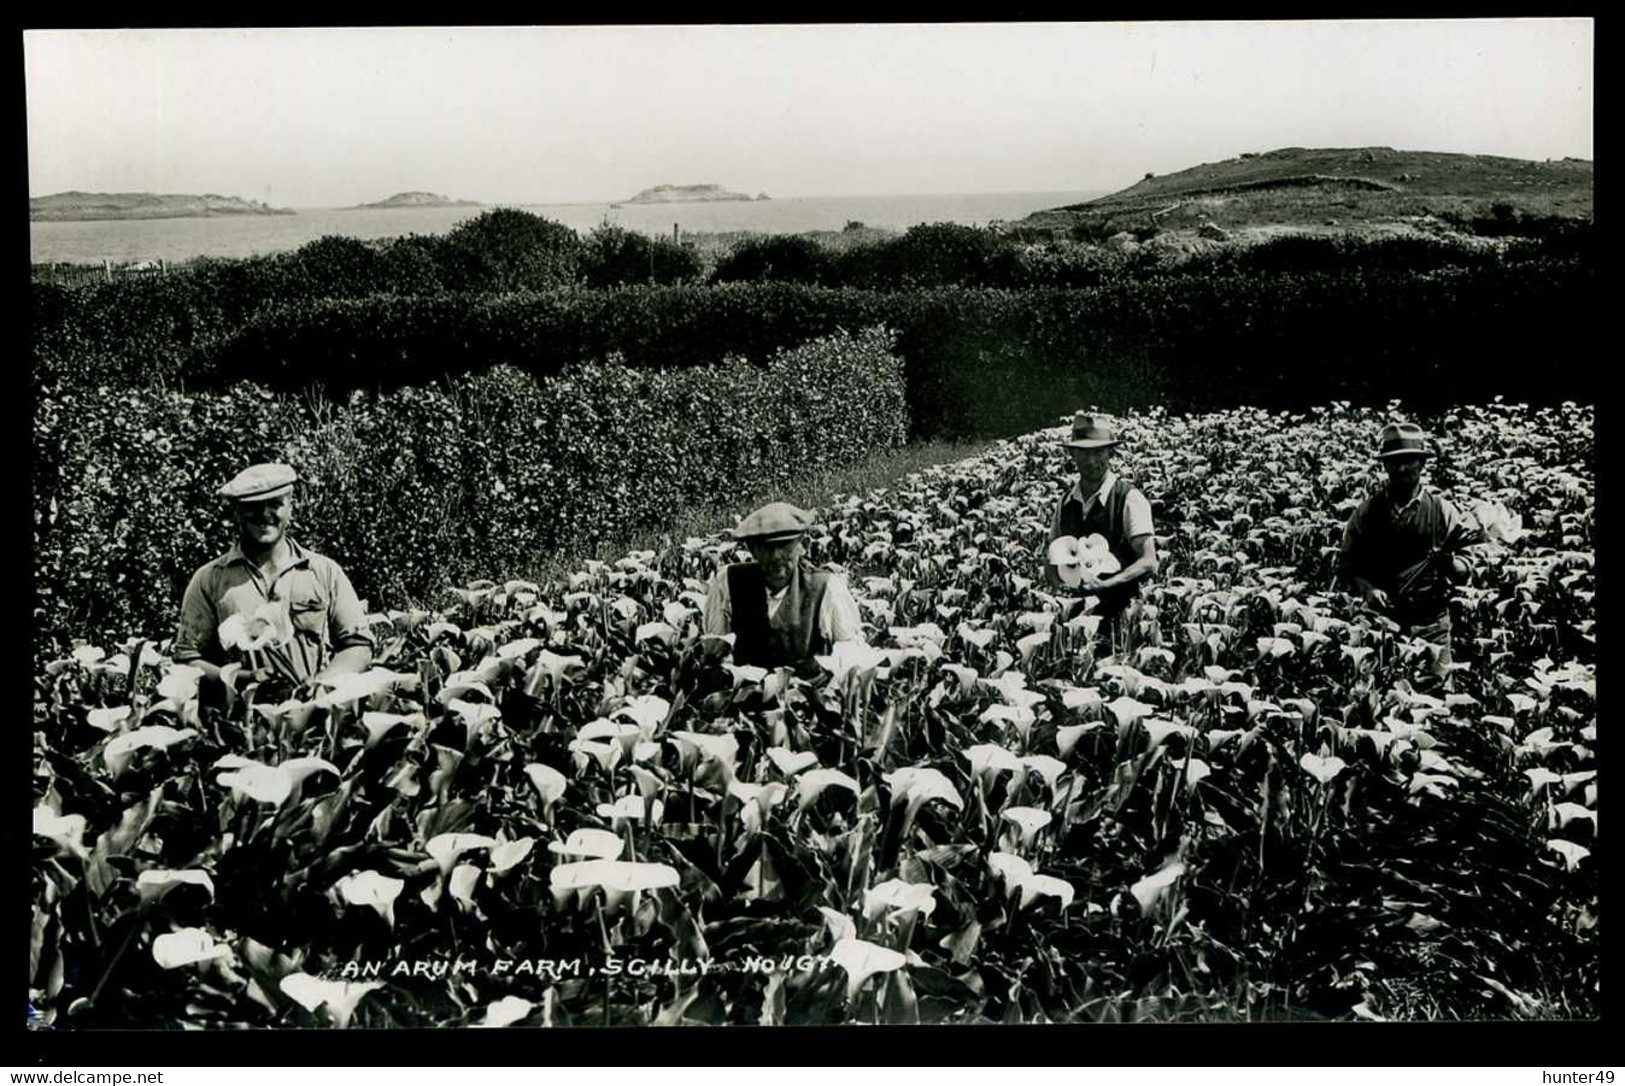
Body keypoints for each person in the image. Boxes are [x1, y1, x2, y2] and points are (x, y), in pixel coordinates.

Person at [172, 463, 374, 687]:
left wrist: (322, 684)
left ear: (290, 508)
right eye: (253, 507)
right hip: (239, 716)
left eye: (275, 504)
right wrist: (241, 679)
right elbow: (187, 661)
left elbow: (359, 647)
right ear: (236, 512)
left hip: (314, 712)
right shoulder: (210, 579)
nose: (265, 514)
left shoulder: (323, 572)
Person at [1336, 421, 1480, 666]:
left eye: (1409, 460)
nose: (1401, 468)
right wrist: (1367, 589)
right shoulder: (1367, 512)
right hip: (1382, 625)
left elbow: (1467, 568)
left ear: (1422, 463)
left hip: (1431, 626)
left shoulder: (1442, 511)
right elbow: (1347, 565)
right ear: (1384, 465)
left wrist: (1449, 563)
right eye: (1394, 461)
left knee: (1435, 698)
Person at [702, 501, 864, 673]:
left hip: (808, 693)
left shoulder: (825, 587)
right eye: (766, 548)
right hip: (746, 695)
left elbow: (849, 649)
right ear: (752, 549)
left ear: (803, 545)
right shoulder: (728, 582)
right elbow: (716, 650)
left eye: (785, 546)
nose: (776, 556)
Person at [1044, 412, 1160, 645]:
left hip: (1120, 620)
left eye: (1098, 452)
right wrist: (1062, 587)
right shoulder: (1065, 503)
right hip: (1075, 621)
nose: (1091, 461)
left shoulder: (1129, 498)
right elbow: (1051, 561)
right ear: (1073, 454)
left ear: (1111, 453)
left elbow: (1149, 561)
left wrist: (1107, 584)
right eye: (1084, 453)